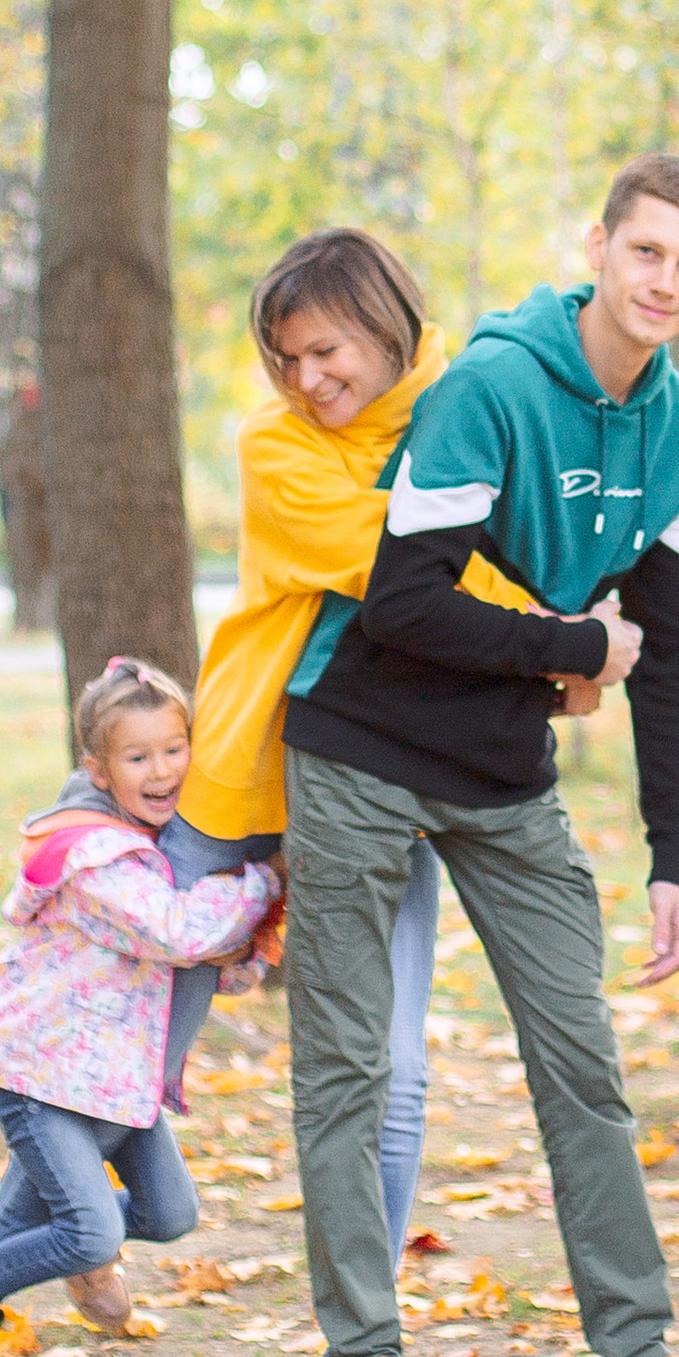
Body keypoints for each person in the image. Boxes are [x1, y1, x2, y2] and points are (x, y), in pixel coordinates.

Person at [279, 149, 679, 1357]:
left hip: (503, 775)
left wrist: (673, 852)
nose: (665, 281)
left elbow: (668, 646)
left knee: (582, 1066)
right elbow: (402, 603)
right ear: (600, 246)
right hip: (361, 747)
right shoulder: (492, 385)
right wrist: (569, 645)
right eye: (647, 251)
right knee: (346, 1066)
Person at [171, 227, 540, 1255]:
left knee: (396, 1067)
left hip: (386, 778)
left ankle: (367, 1337)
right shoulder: (276, 444)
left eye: (326, 350)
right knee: (122, 1049)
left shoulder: (472, 412)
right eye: (286, 358)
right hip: (245, 781)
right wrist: (556, 639)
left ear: (389, 326)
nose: (305, 378)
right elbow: (397, 568)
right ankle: (38, 1248)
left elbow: (518, 544)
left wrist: (535, 626)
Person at [0, 659, 281, 1357]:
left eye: (173, 748)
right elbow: (176, 932)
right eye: (137, 757)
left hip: (119, 1085)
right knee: (86, 1231)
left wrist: (239, 950)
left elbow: (201, 962)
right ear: (98, 767)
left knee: (167, 1215)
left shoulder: (159, 847)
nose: (161, 771)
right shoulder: (93, 855)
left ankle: (2, 1290)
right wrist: (267, 882)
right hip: (45, 1077)